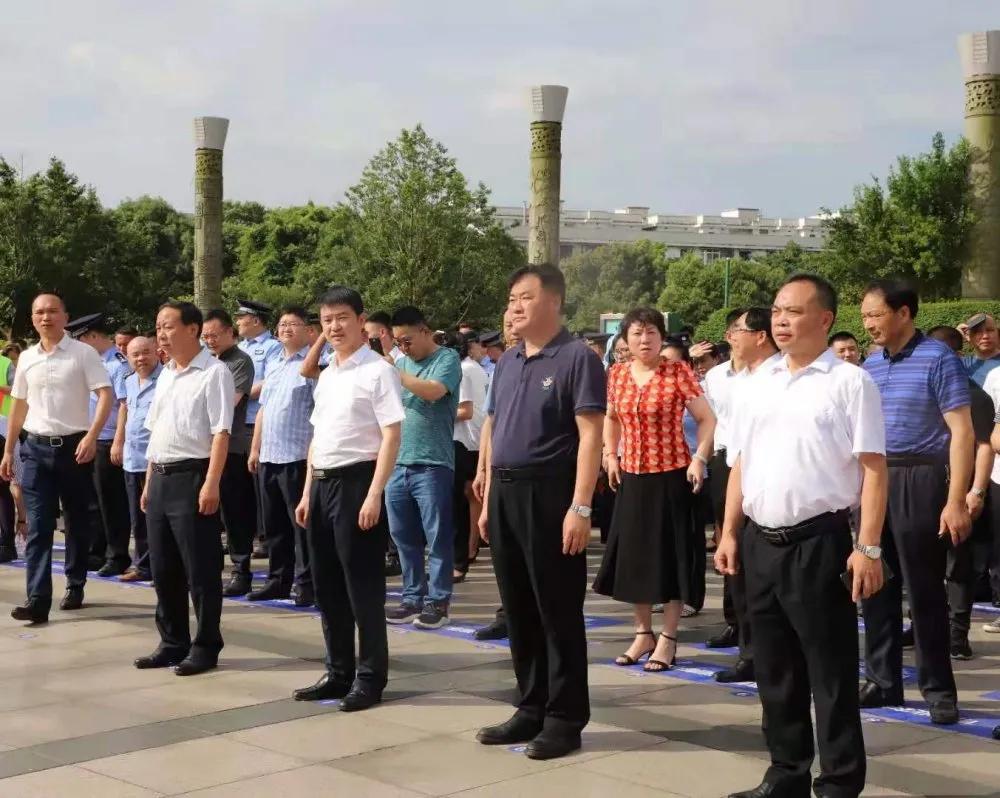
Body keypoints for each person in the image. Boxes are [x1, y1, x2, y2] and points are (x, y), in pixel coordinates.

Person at [716, 273, 888, 798]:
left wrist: (868, 547)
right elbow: (742, 462)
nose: (781, 320)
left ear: (825, 319)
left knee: (829, 670)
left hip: (819, 543)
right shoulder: (760, 381)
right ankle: (785, 772)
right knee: (774, 670)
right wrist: (728, 531)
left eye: (793, 310)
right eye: (777, 310)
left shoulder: (849, 383)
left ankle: (837, 780)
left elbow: (875, 470)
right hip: (760, 543)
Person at [475, 264, 605, 761]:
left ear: (553, 301)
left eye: (524, 298)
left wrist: (580, 506)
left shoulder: (577, 359)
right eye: (511, 299)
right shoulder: (508, 361)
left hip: (551, 496)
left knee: (557, 612)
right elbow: (494, 426)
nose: (514, 307)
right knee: (520, 610)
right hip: (505, 495)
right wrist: (487, 497)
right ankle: (530, 705)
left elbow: (590, 435)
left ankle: (565, 718)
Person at [859, 279, 972, 724]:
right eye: (865, 315)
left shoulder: (938, 358)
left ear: (904, 312)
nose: (869, 324)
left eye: (876, 314)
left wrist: (956, 498)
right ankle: (883, 681)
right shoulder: (870, 365)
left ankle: (938, 690)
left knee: (924, 592)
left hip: (920, 478)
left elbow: (962, 432)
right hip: (875, 478)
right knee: (874, 585)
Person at [292, 286, 404, 711]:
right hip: (321, 484)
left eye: (342, 317)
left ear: (361, 320)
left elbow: (392, 434)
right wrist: (307, 492)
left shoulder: (378, 371)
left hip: (358, 483)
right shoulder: (330, 375)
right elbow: (318, 438)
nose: (334, 327)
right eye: (326, 320)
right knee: (328, 586)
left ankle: (371, 677)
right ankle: (338, 671)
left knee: (363, 588)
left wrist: (375, 493)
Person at [594, 306, 715, 671]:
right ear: (625, 340)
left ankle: (668, 637)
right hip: (631, 476)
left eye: (651, 334)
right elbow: (611, 419)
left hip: (672, 476)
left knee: (671, 557)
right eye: (636, 334)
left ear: (661, 337)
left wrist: (699, 458)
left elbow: (707, 419)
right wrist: (609, 454)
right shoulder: (616, 374)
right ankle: (642, 632)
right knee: (636, 558)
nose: (644, 340)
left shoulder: (677, 372)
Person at [1, 293, 113, 623]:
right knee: (39, 526)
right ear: (32, 319)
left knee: (77, 522)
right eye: (39, 312)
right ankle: (37, 599)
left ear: (65, 316)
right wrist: (9, 449)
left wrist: (92, 436)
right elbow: (19, 404)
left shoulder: (83, 354)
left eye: (52, 311)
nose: (46, 317)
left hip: (74, 449)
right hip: (34, 449)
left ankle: (75, 584)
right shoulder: (27, 358)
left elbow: (105, 394)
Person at [136, 300, 233, 676]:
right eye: (158, 325)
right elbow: (157, 431)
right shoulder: (166, 374)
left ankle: (206, 644)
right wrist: (148, 480)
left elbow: (221, 432)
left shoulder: (214, 373)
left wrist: (211, 482)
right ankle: (172, 640)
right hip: (160, 476)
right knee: (163, 567)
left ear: (193, 329)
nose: (161, 332)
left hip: (194, 476)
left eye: (169, 325)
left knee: (201, 569)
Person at [705, 308, 781, 683]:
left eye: (738, 329)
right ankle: (748, 647)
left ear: (760, 336)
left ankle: (767, 651)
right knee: (734, 553)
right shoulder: (725, 379)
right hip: (729, 466)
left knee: (763, 564)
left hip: (768, 474)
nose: (731, 336)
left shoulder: (782, 378)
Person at [384, 306, 462, 629]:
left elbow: (433, 392)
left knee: (437, 535)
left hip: (433, 462)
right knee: (403, 536)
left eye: (408, 340)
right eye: (398, 342)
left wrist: (394, 372)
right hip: (397, 462)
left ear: (426, 331)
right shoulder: (399, 363)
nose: (403, 348)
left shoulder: (447, 359)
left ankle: (438, 602)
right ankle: (411, 597)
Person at [927, 326, 995, 660]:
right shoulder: (925, 391)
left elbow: (984, 446)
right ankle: (922, 626)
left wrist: (976, 492)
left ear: (955, 357)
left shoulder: (974, 396)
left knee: (957, 567)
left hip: (961, 492)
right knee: (922, 568)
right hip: (923, 490)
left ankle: (957, 633)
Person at [247, 305, 316, 605]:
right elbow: (263, 408)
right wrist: (255, 447)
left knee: (301, 526)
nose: (287, 328)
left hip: (297, 455)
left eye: (294, 324)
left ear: (308, 330)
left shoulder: (316, 364)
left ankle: (307, 583)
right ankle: (278, 580)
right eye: (283, 324)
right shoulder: (274, 363)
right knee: (274, 526)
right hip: (269, 455)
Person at [71, 313, 133, 577]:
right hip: (90, 438)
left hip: (108, 440)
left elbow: (125, 405)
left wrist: (118, 439)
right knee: (93, 501)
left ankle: (117, 554)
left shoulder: (117, 365)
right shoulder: (93, 362)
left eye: (82, 339)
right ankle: (97, 551)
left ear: (93, 336)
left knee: (111, 502)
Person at [472, 311, 520, 642]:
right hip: (501, 474)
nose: (512, 329)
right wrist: (481, 469)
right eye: (506, 326)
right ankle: (508, 614)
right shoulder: (503, 367)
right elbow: (491, 420)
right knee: (504, 554)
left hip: (541, 478)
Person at [202, 309, 257, 597]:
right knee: (209, 513)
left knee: (236, 512)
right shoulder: (203, 362)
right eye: (205, 335)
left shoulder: (239, 361)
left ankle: (241, 570)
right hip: (201, 447)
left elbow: (229, 402)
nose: (209, 340)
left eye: (214, 334)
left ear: (229, 333)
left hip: (230, 446)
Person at [235, 299, 282, 556]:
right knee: (242, 486)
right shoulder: (239, 348)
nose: (238, 322)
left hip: (257, 420)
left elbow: (271, 380)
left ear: (255, 320)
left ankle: (266, 537)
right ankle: (247, 533)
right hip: (237, 423)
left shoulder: (273, 347)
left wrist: (242, 392)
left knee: (260, 483)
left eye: (241, 317)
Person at [114, 336, 162, 582]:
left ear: (157, 352)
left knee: (156, 517)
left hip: (156, 460)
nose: (141, 358)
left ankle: (161, 567)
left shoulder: (166, 379)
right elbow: (125, 410)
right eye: (135, 355)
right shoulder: (129, 381)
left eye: (145, 352)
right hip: (132, 458)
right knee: (138, 518)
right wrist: (118, 441)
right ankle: (143, 566)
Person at [452, 331, 488, 582]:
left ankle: (466, 551)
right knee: (473, 497)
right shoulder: (475, 368)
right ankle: (470, 549)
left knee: (463, 501)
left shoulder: (462, 370)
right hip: (476, 441)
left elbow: (465, 411)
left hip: (465, 441)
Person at [0, 345, 17, 562]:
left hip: (2, 429)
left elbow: (18, 390)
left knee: (2, 488)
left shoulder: (5, 363)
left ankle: (6, 544)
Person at [959, 313, 1000, 386]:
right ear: (967, 336)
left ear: (997, 333)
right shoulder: (962, 365)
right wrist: (954, 336)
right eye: (977, 331)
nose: (985, 336)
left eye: (990, 330)